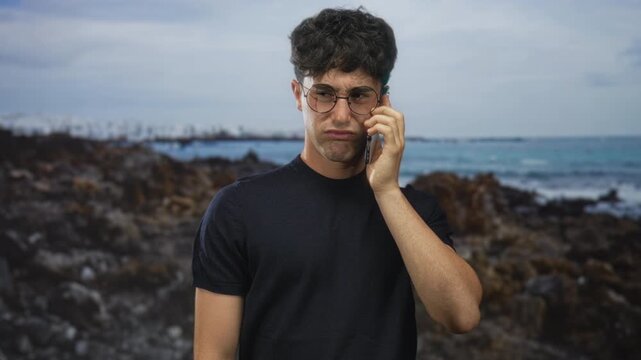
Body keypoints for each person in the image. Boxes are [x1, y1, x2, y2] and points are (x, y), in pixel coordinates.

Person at [192, 7, 482, 360]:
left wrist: (386, 190)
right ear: (299, 95)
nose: (341, 115)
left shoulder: (415, 212)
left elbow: (462, 315)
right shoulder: (238, 210)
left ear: (383, 102)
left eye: (359, 95)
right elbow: (212, 354)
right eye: (324, 93)